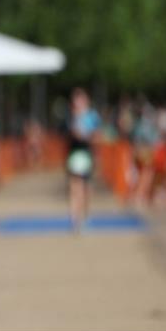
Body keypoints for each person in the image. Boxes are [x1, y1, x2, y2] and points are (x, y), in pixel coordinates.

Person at [65, 88, 101, 231]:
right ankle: (75, 218)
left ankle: (84, 215)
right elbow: (72, 134)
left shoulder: (92, 116)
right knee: (75, 188)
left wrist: (88, 137)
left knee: (86, 189)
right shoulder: (71, 116)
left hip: (87, 154)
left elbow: (97, 135)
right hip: (74, 154)